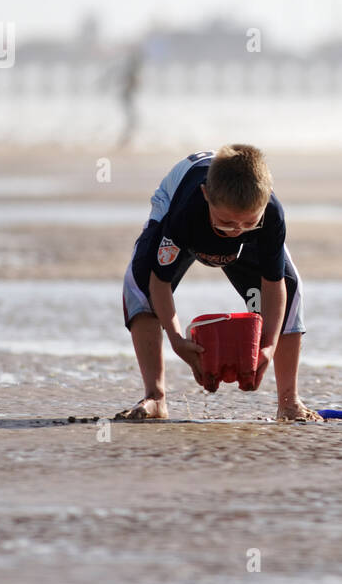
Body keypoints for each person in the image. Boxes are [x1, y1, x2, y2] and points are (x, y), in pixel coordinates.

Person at [118, 144, 320, 421]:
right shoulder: (186, 212)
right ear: (206, 197)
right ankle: (155, 397)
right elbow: (159, 283)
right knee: (138, 283)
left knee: (291, 286)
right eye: (226, 222)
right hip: (182, 211)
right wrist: (176, 340)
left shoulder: (271, 215)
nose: (236, 231)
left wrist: (269, 347)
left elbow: (273, 285)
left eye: (248, 223)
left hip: (244, 232)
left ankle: (289, 401)